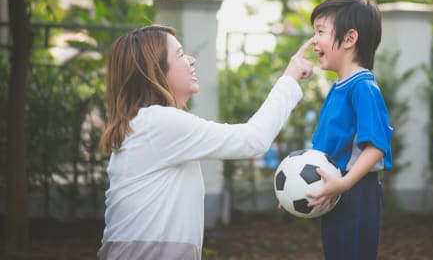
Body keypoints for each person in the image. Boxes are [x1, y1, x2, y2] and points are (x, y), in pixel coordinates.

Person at [98, 24, 313, 260]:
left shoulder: (145, 123)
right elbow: (253, 140)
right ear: (155, 71)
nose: (191, 60)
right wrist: (290, 78)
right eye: (180, 54)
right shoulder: (159, 122)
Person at [305, 0, 393, 259]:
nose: (314, 40)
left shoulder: (363, 88)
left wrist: (344, 184)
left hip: (356, 194)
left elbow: (376, 146)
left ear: (349, 38)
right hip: (337, 191)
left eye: (320, 31)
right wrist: (296, 191)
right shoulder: (339, 88)